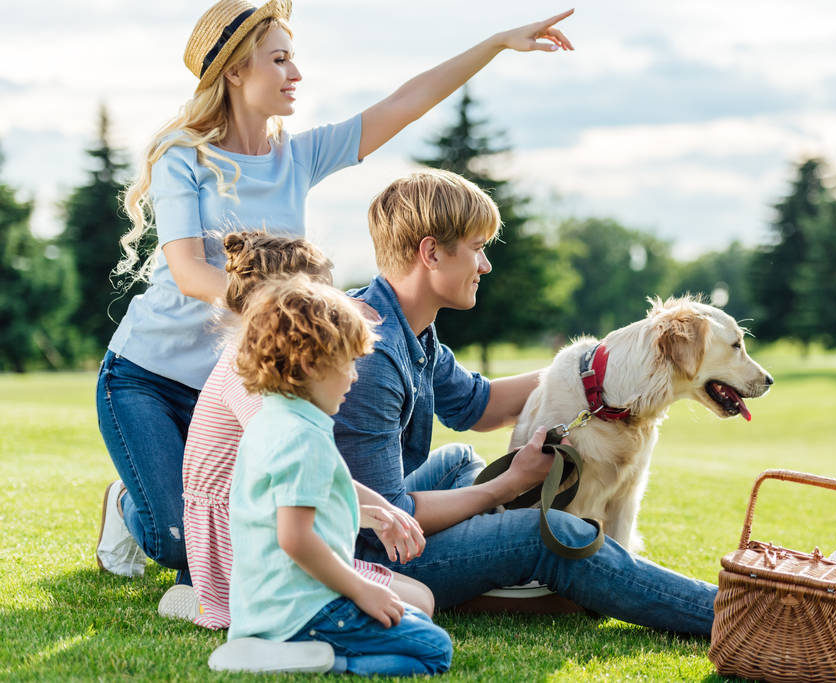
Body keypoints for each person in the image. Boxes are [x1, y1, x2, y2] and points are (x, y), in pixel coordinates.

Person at [95, 0, 575, 580]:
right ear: (235, 71)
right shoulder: (183, 158)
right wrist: (303, 311)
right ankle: (126, 504)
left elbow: (402, 103)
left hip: (233, 387)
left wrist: (495, 43)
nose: (296, 74)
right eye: (279, 60)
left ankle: (158, 498)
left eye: (294, 59)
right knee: (176, 544)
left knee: (233, 543)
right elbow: (193, 274)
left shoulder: (296, 157)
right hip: (147, 376)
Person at [333, 170, 718, 635]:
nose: (486, 265)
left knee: (460, 460)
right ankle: (729, 614)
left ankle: (490, 559)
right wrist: (506, 486)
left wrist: (597, 370)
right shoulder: (372, 356)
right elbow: (385, 520)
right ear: (431, 253)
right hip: (372, 557)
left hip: (382, 524)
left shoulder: (407, 328)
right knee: (550, 533)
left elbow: (479, 406)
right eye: (477, 248)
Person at [155, 231, 429, 629]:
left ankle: (206, 597)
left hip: (261, 525)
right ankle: (208, 600)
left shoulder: (260, 362)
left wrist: (384, 511)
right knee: (417, 604)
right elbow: (296, 463)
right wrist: (377, 514)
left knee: (419, 597)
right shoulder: (254, 378)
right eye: (321, 298)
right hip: (249, 543)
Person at [222, 274, 450, 676]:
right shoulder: (302, 437)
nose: (354, 377)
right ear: (311, 364)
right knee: (434, 647)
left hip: (263, 608)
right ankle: (315, 658)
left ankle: (287, 651)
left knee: (416, 621)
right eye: (347, 364)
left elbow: (312, 493)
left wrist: (373, 514)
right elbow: (295, 537)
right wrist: (361, 589)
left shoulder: (273, 419)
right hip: (306, 610)